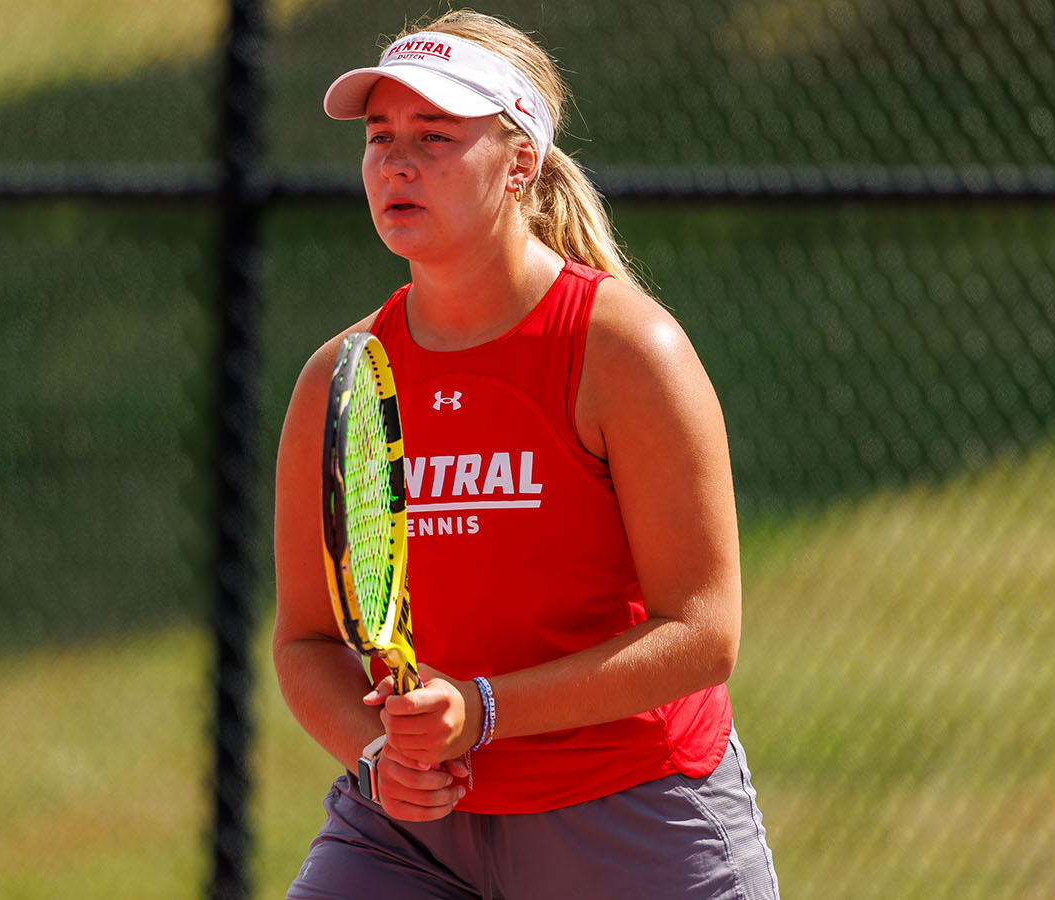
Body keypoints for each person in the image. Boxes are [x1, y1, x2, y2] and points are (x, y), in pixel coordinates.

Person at [272, 10, 780, 899]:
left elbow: (704, 634)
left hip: (628, 805)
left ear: (520, 163)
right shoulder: (340, 378)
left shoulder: (626, 351)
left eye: (435, 136)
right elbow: (306, 639)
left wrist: (482, 711)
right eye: (380, 136)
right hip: (413, 832)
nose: (396, 162)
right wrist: (381, 755)